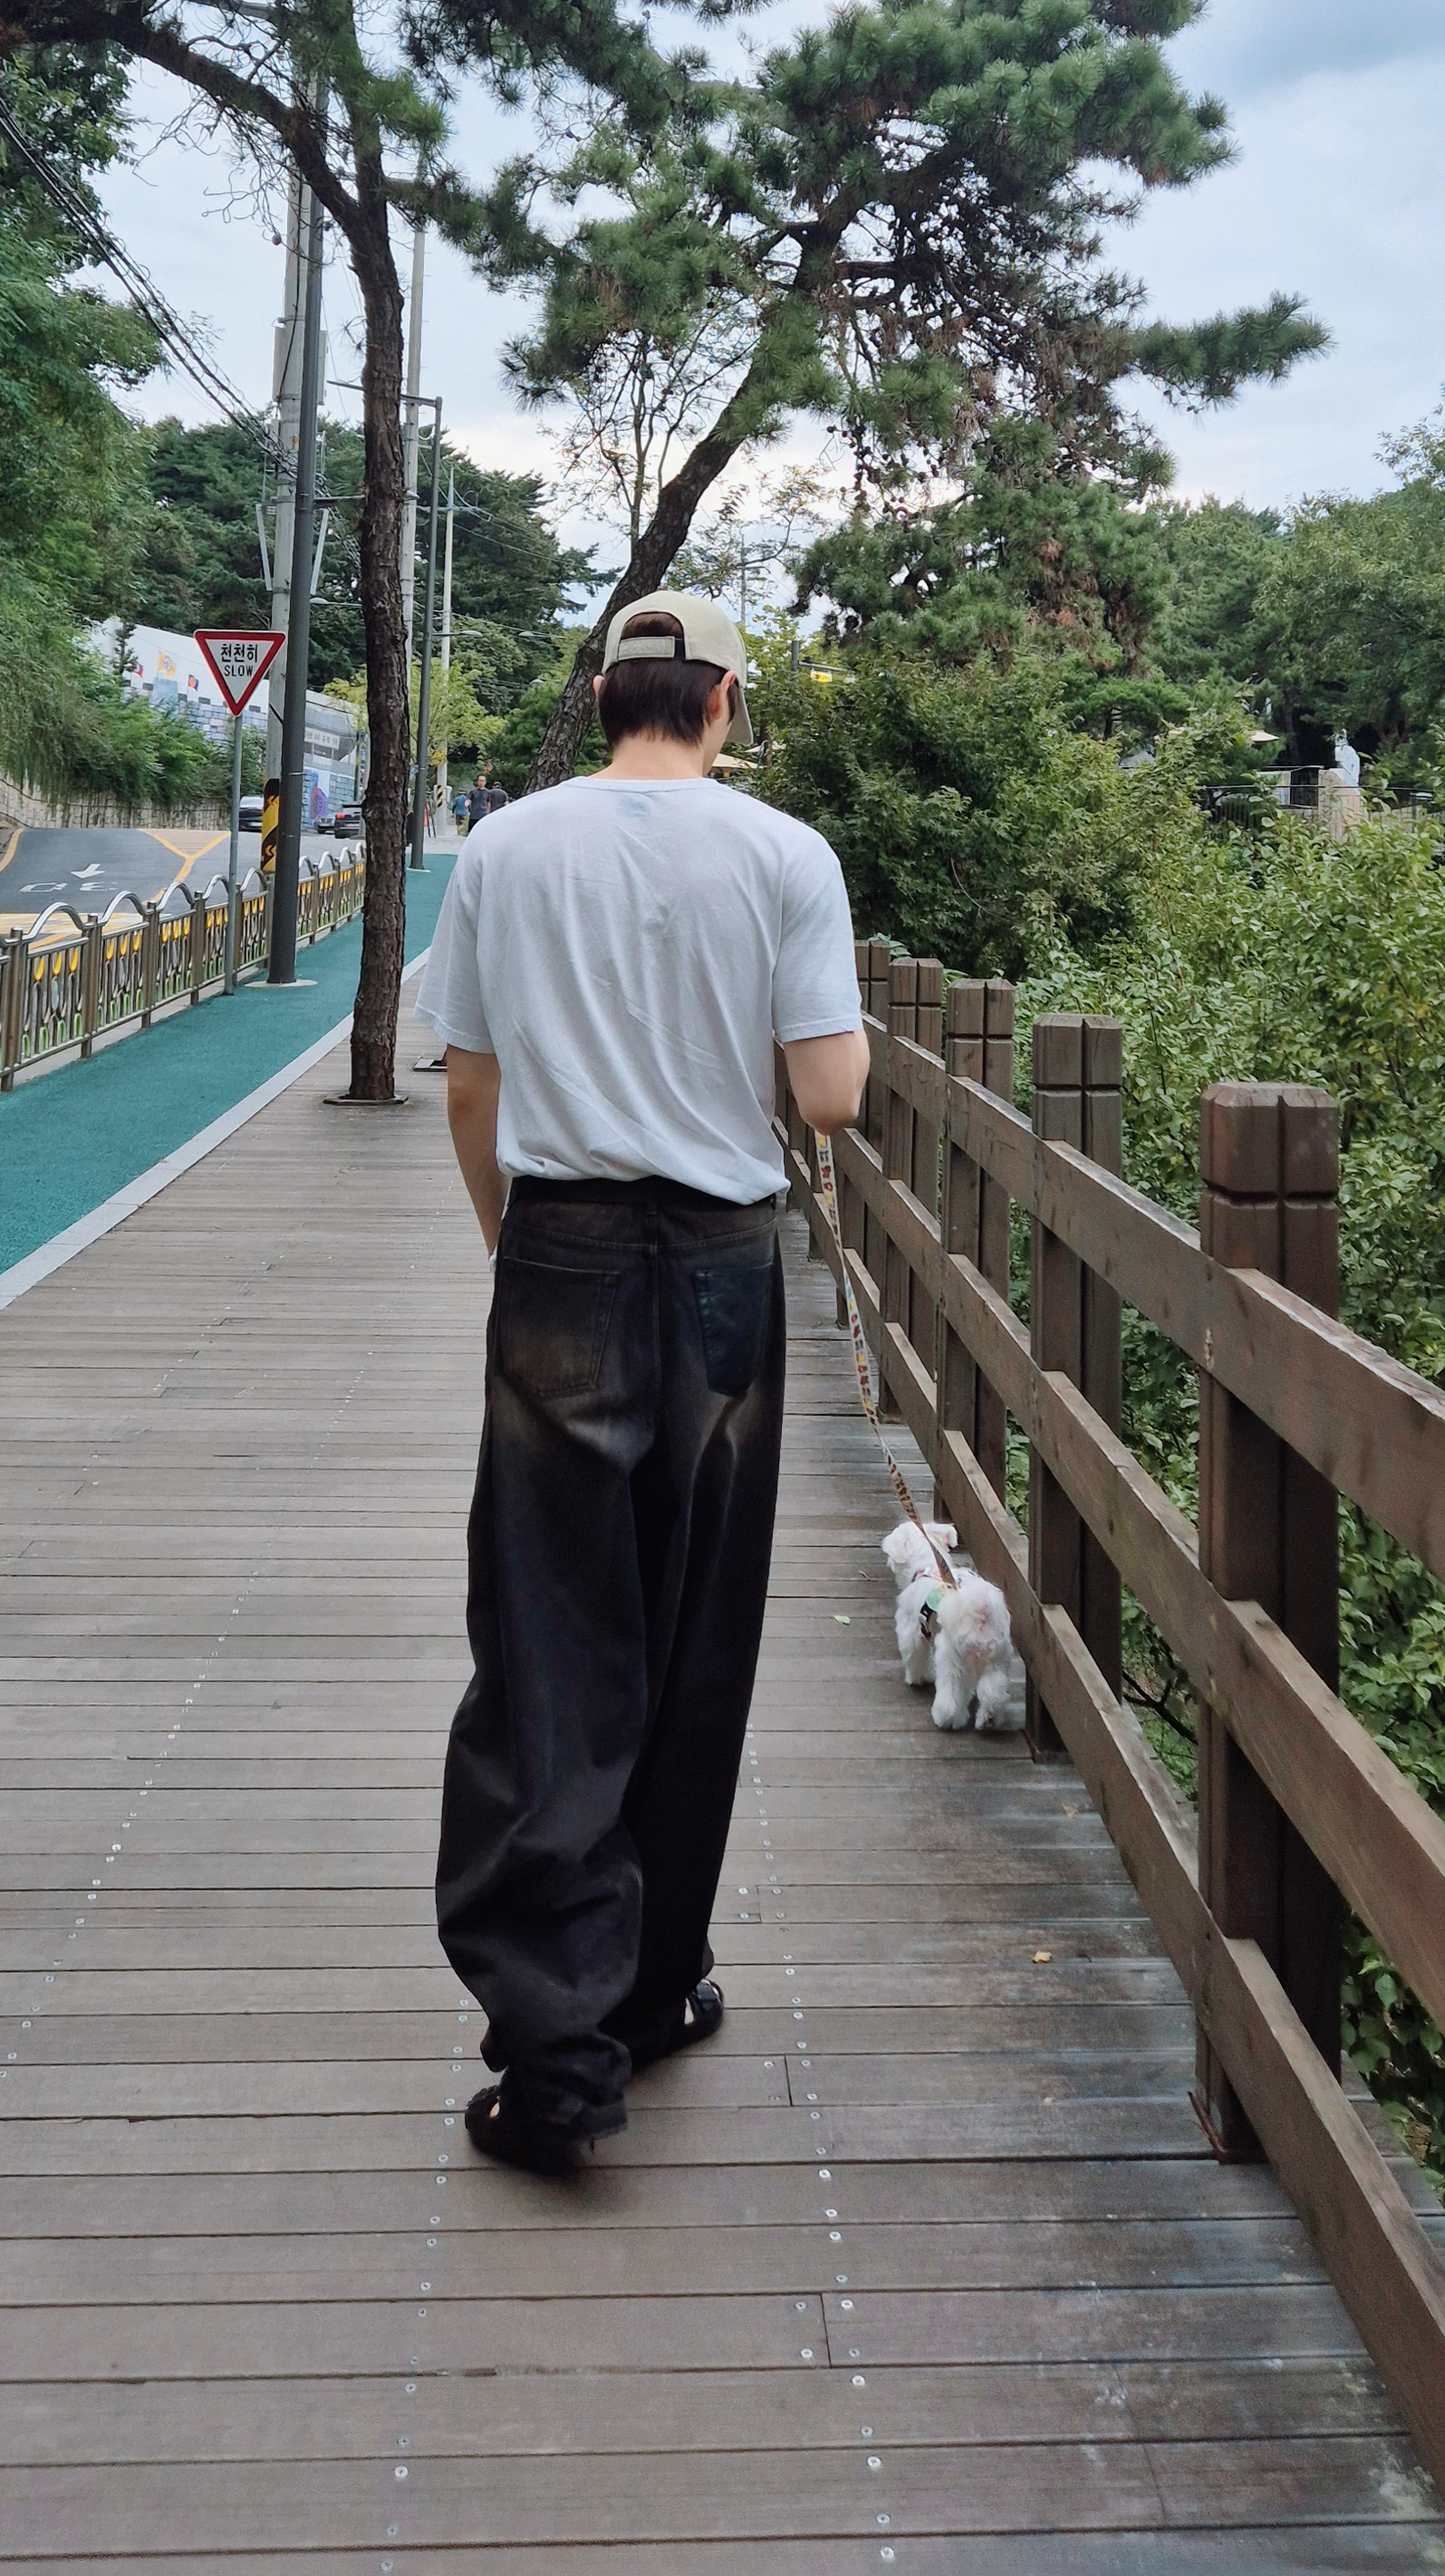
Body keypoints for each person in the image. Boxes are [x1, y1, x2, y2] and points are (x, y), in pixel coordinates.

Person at [424, 590, 870, 2171]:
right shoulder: (786, 856)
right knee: (692, 1643)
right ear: (725, 702)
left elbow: (470, 1085)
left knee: (552, 1641)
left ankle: (556, 2050)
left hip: (560, 1253)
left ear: (604, 691)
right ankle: (654, 1986)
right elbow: (828, 1096)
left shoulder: (508, 847)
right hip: (725, 1276)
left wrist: (512, 1244)